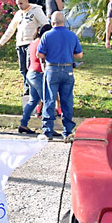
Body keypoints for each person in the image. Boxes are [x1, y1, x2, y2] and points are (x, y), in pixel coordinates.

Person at [37, 11, 83, 142]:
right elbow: (79, 55)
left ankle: (47, 131)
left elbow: (39, 54)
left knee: (49, 100)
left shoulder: (47, 35)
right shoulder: (72, 35)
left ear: (52, 23)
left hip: (51, 69)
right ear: (64, 21)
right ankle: (67, 131)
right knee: (67, 100)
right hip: (68, 69)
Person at [0, 0, 48, 96]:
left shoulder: (36, 10)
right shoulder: (18, 14)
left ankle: (33, 88)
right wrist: (1, 42)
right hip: (20, 43)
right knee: (22, 68)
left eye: (21, 3)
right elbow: (11, 29)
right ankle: (27, 88)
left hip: (31, 43)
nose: (19, 6)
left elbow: (45, 24)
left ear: (26, 1)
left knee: (30, 67)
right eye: (17, 4)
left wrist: (39, 38)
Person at [18, 24, 51, 135]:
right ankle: (47, 128)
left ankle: (23, 124)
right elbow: (44, 58)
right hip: (38, 74)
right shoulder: (42, 43)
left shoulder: (33, 42)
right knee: (47, 100)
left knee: (33, 100)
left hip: (31, 73)